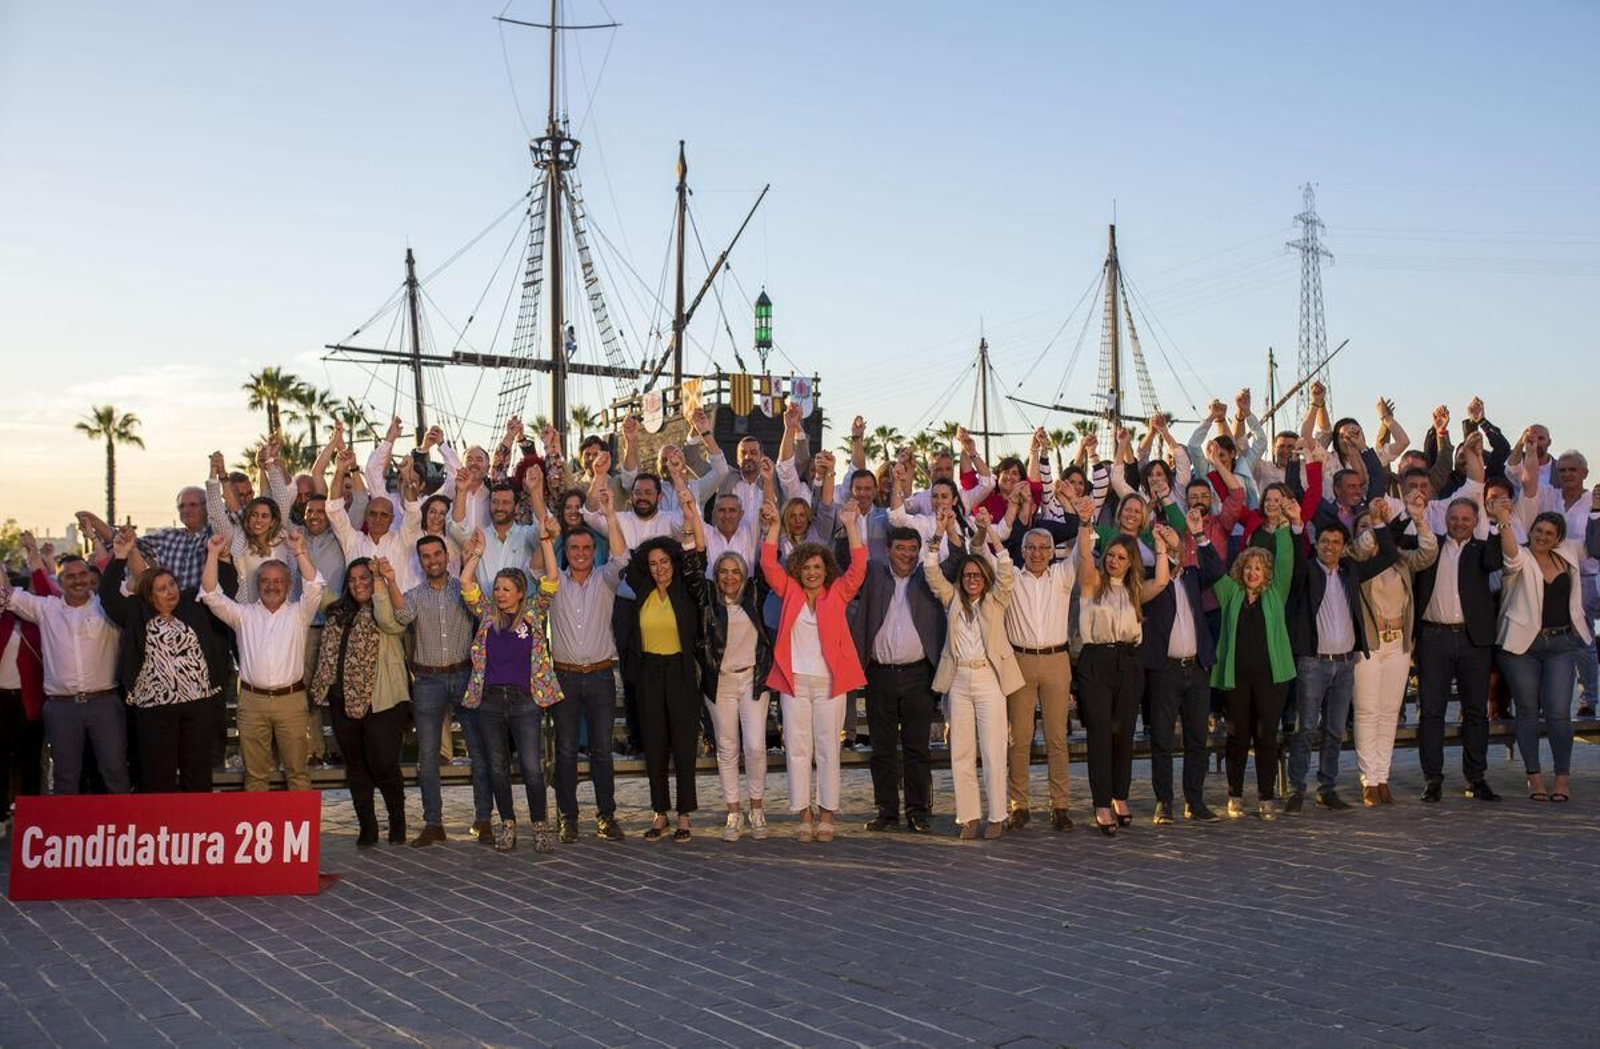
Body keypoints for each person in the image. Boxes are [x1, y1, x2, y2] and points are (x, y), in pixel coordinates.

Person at [760, 500, 869, 842]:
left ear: (826, 570)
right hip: (794, 683)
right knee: (797, 749)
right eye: (806, 567)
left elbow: (859, 568)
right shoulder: (789, 591)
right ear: (797, 569)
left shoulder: (837, 593)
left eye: (818, 567)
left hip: (829, 683)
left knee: (827, 749)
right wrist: (774, 527)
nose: (811, 572)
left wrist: (850, 524)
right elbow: (767, 563)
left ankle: (826, 815)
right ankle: (803, 814)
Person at [1283, 502, 1400, 813]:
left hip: (1346, 662)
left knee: (1335, 730)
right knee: (1307, 728)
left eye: (1336, 542)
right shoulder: (1308, 571)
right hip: (1313, 662)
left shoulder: (1351, 572)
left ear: (1344, 547)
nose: (1330, 547)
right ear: (1316, 544)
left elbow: (1389, 556)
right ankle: (1297, 789)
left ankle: (1327, 788)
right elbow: (1296, 560)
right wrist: (1296, 525)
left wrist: (1379, 523)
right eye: (1324, 541)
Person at [99, 527, 233, 793]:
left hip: (197, 703)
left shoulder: (192, 604)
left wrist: (220, 557)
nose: (170, 591)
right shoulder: (136, 612)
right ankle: (159, 820)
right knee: (158, 776)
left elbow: (223, 589)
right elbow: (108, 596)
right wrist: (120, 556)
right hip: (154, 708)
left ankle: (196, 818)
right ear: (149, 595)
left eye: (172, 584)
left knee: (198, 774)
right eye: (161, 589)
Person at [459, 519, 563, 853]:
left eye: (506, 589)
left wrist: (546, 541)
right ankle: (507, 824)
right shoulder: (487, 614)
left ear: (520, 592)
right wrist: (476, 554)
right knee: (497, 768)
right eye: (497, 589)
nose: (500, 594)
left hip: (525, 701)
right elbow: (465, 582)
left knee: (531, 767)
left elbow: (551, 578)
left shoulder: (533, 612)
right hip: (489, 701)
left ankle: (540, 826)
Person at [198, 530, 326, 793]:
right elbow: (210, 595)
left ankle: (296, 822)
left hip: (291, 702)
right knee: (255, 777)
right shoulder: (243, 615)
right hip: (252, 702)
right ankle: (261, 821)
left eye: (278, 581)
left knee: (298, 773)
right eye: (266, 581)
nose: (272, 586)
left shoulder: (299, 614)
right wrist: (212, 554)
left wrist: (299, 551)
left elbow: (314, 586)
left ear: (288, 585)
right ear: (258, 585)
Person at [1074, 496, 1171, 835]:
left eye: (1121, 557)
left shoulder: (1133, 591)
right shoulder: (1093, 583)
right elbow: (1085, 557)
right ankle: (1101, 803)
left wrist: (1160, 546)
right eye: (1111, 556)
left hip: (1129, 662)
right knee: (1100, 734)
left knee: (1123, 733)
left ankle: (1120, 795)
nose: (1114, 561)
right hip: (1096, 661)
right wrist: (1084, 523)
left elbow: (1162, 581)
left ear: (1131, 563)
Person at [0, 536, 126, 795]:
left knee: (114, 770)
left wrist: (108, 545)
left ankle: (122, 821)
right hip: (61, 707)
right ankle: (68, 823)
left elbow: (130, 580)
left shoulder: (107, 605)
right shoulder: (46, 608)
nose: (78, 580)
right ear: (59, 581)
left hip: (104, 704)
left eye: (83, 574)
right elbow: (6, 594)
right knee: (65, 776)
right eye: (70, 576)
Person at [924, 512, 1021, 840]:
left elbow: (1005, 568)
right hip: (959, 681)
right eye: (967, 575)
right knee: (961, 751)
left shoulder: (996, 599)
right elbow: (931, 571)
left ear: (984, 576)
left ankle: (997, 815)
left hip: (989, 679)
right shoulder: (951, 599)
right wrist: (939, 533)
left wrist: (990, 531)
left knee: (993, 750)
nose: (972, 579)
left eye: (977, 574)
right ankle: (968, 816)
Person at [619, 487, 705, 843]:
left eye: (664, 562)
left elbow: (697, 554)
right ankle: (660, 813)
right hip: (649, 674)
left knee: (683, 746)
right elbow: (620, 556)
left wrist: (689, 517)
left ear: (673, 561)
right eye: (653, 563)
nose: (659, 568)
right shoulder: (641, 590)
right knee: (654, 746)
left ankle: (684, 815)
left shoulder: (687, 588)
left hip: (681, 672)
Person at [687, 498, 775, 842]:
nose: (728, 577)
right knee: (727, 747)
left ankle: (757, 808)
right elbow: (694, 566)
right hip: (720, 682)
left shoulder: (754, 594)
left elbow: (768, 563)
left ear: (743, 573)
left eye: (735, 571)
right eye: (723, 571)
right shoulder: (707, 599)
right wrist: (691, 519)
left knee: (755, 746)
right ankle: (734, 811)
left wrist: (771, 527)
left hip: (752, 680)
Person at [853, 524, 949, 834]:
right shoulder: (874, 574)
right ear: (888, 551)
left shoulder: (928, 577)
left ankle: (918, 811)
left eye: (912, 549)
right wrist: (851, 523)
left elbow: (959, 559)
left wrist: (943, 531)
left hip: (917, 674)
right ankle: (887, 811)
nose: (906, 554)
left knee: (916, 748)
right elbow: (849, 559)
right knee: (882, 748)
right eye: (900, 548)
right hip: (879, 673)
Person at [1211, 504, 1303, 821]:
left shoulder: (1276, 593)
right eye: (1248, 567)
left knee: (1266, 736)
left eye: (1259, 569)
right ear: (1241, 569)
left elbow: (1287, 560)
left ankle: (1266, 797)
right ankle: (1235, 795)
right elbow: (1211, 566)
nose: (1252, 573)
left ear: (1267, 574)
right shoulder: (1230, 592)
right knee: (1237, 737)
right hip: (1235, 678)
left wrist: (1286, 527)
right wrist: (1200, 537)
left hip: (1271, 678)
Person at [1497, 492, 1591, 803]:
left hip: (1561, 644)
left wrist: (1596, 510)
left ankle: (1562, 778)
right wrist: (1503, 520)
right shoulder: (1520, 556)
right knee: (1527, 711)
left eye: (1549, 533)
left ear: (1557, 539)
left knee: (1559, 712)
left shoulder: (1567, 555)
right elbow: (1510, 555)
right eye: (1538, 530)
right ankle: (1534, 777)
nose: (1542, 536)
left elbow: (1595, 546)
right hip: (1522, 647)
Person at [311, 557, 411, 846]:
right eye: (353, 579)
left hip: (382, 702)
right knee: (355, 766)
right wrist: (301, 552)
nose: (358, 584)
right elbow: (314, 587)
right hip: (342, 700)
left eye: (364, 578)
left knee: (384, 764)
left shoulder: (386, 607)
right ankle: (367, 825)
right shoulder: (337, 610)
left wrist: (380, 580)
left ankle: (397, 819)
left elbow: (390, 622)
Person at [547, 488, 628, 843]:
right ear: (566, 552)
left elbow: (622, 557)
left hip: (599, 676)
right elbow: (537, 565)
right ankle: (568, 817)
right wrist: (548, 535)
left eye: (586, 548)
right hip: (564, 676)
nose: (580, 554)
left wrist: (609, 516)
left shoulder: (605, 581)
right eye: (574, 548)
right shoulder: (553, 584)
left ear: (594, 552)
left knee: (601, 752)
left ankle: (606, 816)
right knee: (565, 751)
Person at [1411, 497, 1504, 802]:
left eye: (1466, 519)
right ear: (1445, 519)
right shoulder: (1431, 545)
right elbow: (1398, 542)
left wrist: (1494, 520)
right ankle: (1432, 779)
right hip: (1433, 638)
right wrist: (1415, 514)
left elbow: (1495, 562)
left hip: (1472, 640)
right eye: (1454, 518)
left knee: (1476, 711)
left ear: (1475, 521)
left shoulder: (1482, 548)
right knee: (1431, 711)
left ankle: (1476, 778)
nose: (1459, 523)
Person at [1348, 492, 1438, 805]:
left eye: (1373, 526)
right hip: (1370, 644)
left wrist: (1418, 518)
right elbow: (1362, 546)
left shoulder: (1398, 558)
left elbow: (1427, 554)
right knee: (1367, 711)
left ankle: (1382, 776)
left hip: (1398, 641)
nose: (1369, 531)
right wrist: (1375, 523)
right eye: (1362, 527)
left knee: (1389, 712)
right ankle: (1368, 780)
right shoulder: (1356, 561)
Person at [391, 534, 481, 845]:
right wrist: (390, 581)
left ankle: (483, 819)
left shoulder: (464, 589)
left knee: (477, 750)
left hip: (463, 674)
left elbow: (483, 612)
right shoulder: (415, 595)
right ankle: (433, 823)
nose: (432, 560)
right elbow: (402, 616)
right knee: (428, 756)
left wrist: (472, 558)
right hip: (428, 681)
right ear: (420, 561)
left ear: (447, 556)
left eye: (437, 554)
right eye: (426, 556)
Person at [1140, 507, 1226, 824]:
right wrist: (1161, 550)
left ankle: (1195, 800)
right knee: (1162, 739)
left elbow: (1216, 570)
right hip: (1165, 668)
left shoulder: (1192, 575)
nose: (1167, 541)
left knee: (1197, 739)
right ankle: (1164, 801)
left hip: (1197, 667)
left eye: (1171, 537)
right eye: (1161, 538)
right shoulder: (1151, 579)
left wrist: (1198, 534)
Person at [1002, 524, 1080, 830]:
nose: (1037, 553)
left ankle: (1060, 805)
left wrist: (1086, 521)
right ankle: (1019, 805)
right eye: (1031, 547)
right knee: (1019, 738)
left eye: (1043, 548)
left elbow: (1083, 550)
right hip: (1019, 660)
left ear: (1051, 552)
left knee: (1057, 738)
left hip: (1056, 659)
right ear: (1022, 551)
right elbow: (981, 550)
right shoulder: (1010, 577)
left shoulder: (1062, 575)